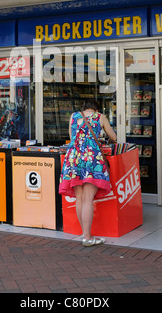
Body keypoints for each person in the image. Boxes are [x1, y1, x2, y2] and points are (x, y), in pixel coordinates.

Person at [59, 99, 117, 247]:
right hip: (91, 157)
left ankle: (84, 234)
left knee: (79, 198)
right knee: (88, 199)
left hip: (73, 158)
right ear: (95, 108)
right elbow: (114, 137)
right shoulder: (100, 117)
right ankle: (87, 237)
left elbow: (73, 138)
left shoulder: (74, 116)